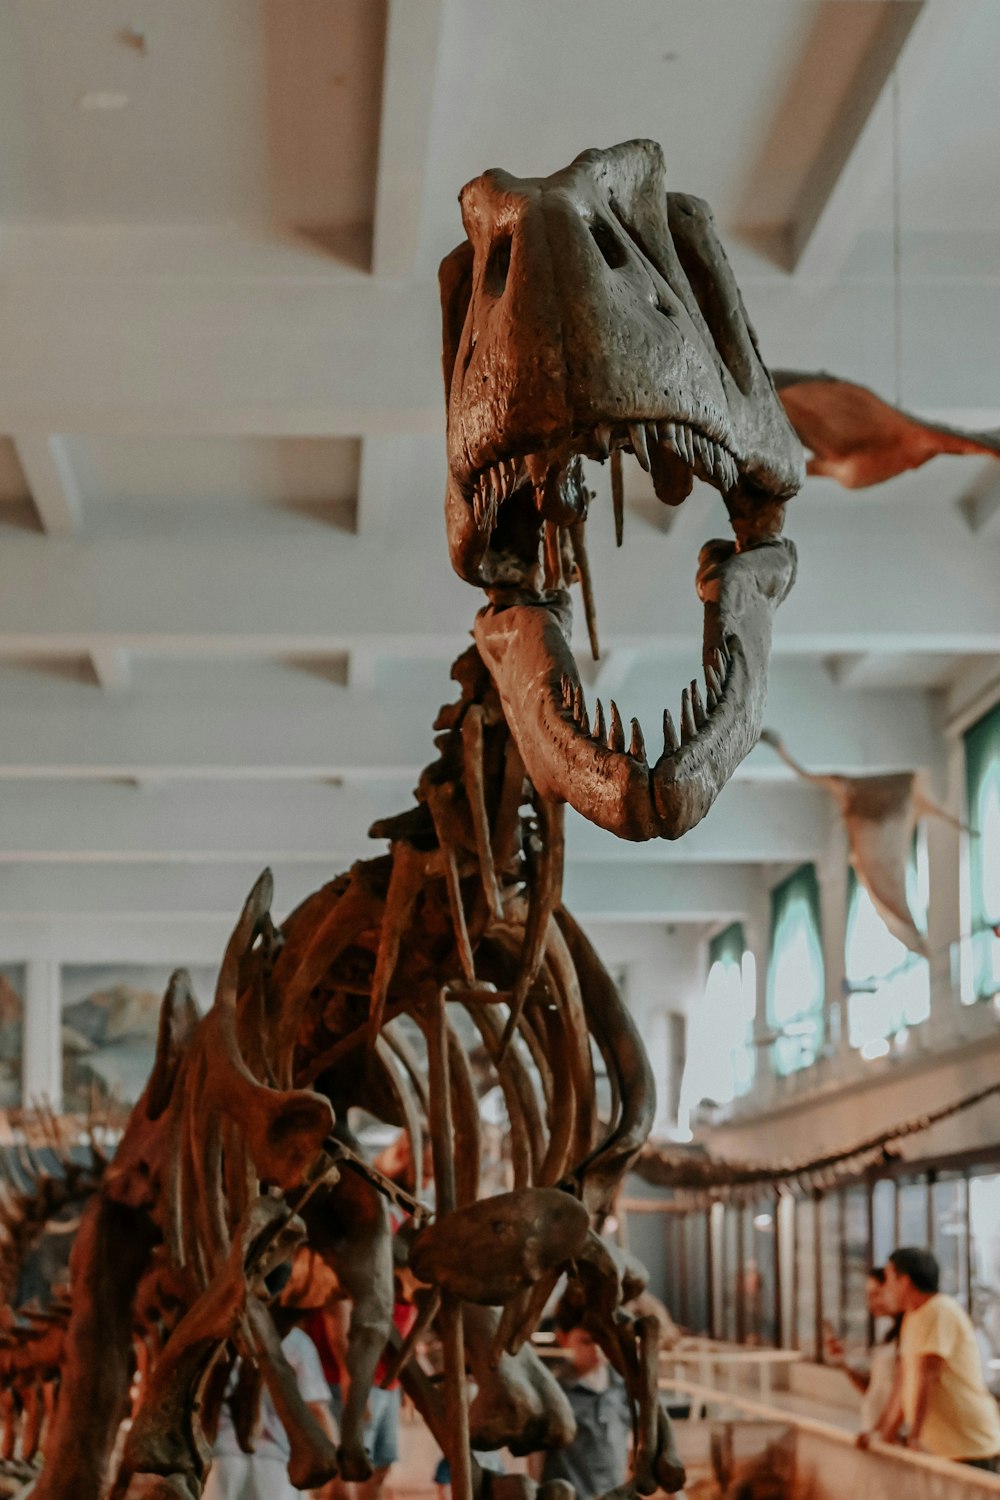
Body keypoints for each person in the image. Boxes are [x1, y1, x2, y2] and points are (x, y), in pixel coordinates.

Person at [203, 1259, 338, 1500]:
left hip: (223, 1458)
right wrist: (335, 1463)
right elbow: (316, 1408)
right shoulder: (297, 1344)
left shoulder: (218, 1334)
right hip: (277, 1463)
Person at [879, 1246, 1000, 1471]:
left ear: (904, 1282)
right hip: (940, 1449)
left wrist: (913, 1436)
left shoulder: (939, 1310)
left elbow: (927, 1374)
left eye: (888, 1279)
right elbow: (905, 1379)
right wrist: (885, 1432)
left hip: (968, 1445)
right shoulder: (913, 1315)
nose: (885, 1289)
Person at [540, 1300, 631, 1500]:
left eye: (603, 1339)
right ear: (563, 1338)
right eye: (586, 1341)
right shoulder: (553, 1393)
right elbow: (535, 1457)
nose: (597, 1349)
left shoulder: (623, 1389)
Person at [823, 1266, 900, 1444]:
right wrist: (843, 1362)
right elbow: (872, 1389)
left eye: (876, 1294)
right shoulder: (889, 1338)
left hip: (892, 1437)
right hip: (879, 1435)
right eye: (868, 1296)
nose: (870, 1303)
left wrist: (886, 1430)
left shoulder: (907, 1337)